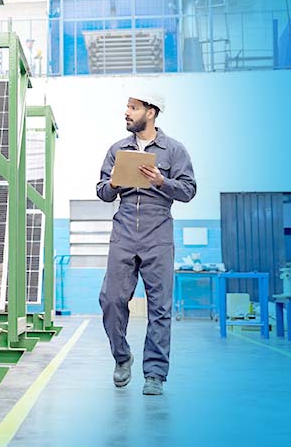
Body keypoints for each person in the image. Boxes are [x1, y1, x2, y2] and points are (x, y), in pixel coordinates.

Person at [96, 93, 196, 395]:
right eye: (127, 107)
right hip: (124, 230)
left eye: (133, 108)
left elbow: (189, 190)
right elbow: (102, 192)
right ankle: (122, 356)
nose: (126, 112)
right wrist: (113, 183)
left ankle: (154, 374)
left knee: (160, 307)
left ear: (150, 112)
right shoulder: (117, 150)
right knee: (111, 299)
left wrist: (161, 181)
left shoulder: (174, 150)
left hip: (158, 232)